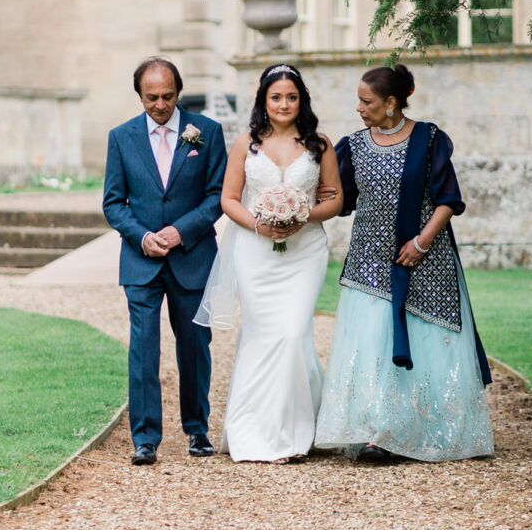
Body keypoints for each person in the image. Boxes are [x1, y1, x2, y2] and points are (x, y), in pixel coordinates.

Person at [315, 63, 493, 464]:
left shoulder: (429, 140)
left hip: (425, 259)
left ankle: (427, 431)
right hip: (370, 264)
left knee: (430, 344)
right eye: (359, 101)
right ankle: (379, 431)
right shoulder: (354, 145)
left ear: (391, 103)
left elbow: (449, 199)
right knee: (373, 343)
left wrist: (421, 243)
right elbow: (335, 195)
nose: (359, 108)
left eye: (367, 101)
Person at [195, 63, 343, 462]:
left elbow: (334, 198)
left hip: (305, 251)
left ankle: (297, 430)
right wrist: (261, 226)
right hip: (254, 252)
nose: (284, 104)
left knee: (294, 332)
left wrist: (302, 216)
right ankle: (256, 431)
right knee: (262, 335)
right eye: (276, 97)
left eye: (291, 97)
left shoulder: (319, 145)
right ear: (264, 100)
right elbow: (228, 199)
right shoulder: (246, 143)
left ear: (302, 101)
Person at [103, 57, 227, 466]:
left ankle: (197, 430)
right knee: (142, 348)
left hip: (192, 257)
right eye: (151, 97)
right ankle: (145, 438)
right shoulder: (121, 137)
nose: (160, 104)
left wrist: (181, 231)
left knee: (194, 346)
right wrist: (142, 236)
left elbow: (216, 197)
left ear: (179, 90)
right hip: (141, 261)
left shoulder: (206, 132)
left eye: (168, 96)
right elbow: (113, 204)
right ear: (139, 95)